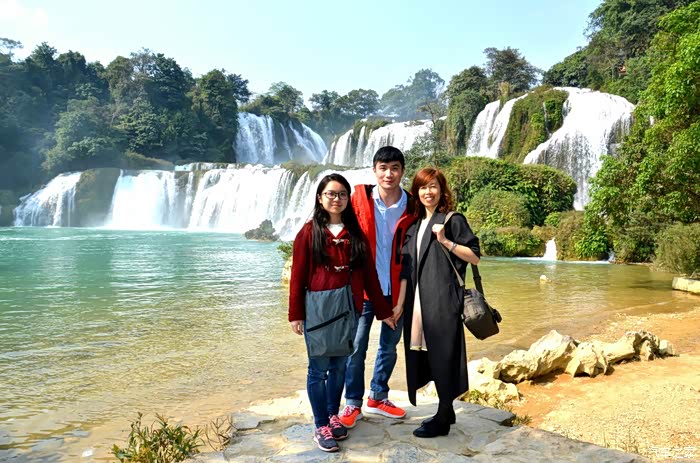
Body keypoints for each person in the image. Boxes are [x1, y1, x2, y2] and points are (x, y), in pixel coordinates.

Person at [288, 173, 396, 452]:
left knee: (339, 367)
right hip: (318, 310)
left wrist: (383, 311)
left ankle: (333, 415)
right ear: (320, 198)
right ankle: (320, 424)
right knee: (318, 368)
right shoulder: (308, 233)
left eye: (342, 194)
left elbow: (370, 276)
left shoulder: (355, 234)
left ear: (348, 199)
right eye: (331, 194)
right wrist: (295, 314)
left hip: (349, 309)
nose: (336, 199)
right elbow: (297, 276)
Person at [396, 167, 481, 438]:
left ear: (442, 190)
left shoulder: (453, 220)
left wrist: (445, 240)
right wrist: (399, 305)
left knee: (444, 355)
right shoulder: (413, 225)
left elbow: (475, 256)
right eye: (423, 187)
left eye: (433, 186)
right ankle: (447, 408)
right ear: (416, 192)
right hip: (417, 303)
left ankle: (443, 417)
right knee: (426, 354)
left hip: (443, 301)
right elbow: (406, 270)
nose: (428, 192)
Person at [339, 146, 416, 428]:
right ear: (374, 171)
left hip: (396, 290)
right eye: (383, 168)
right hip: (363, 290)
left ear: (402, 171)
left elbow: (414, 251)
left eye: (394, 168)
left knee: (389, 347)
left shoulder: (413, 206)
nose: (388, 174)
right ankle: (352, 403)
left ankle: (378, 396)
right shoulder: (359, 198)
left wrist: (404, 299)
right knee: (355, 346)